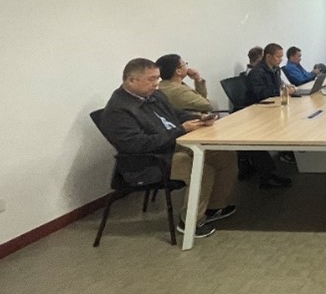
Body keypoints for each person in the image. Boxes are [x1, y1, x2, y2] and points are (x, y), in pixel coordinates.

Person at [100, 58, 237, 238]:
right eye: (151, 79)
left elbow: (175, 114)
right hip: (150, 160)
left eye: (157, 78)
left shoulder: (155, 95)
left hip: (174, 146)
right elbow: (137, 145)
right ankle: (189, 222)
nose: (156, 83)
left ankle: (213, 208)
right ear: (131, 80)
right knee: (201, 168)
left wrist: (198, 118)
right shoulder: (118, 111)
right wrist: (180, 130)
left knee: (224, 156)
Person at [243, 43, 294, 188]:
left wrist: (286, 88)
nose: (280, 60)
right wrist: (282, 91)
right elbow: (261, 94)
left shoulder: (275, 69)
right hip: (256, 112)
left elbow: (277, 87)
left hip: (271, 107)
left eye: (281, 57)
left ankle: (288, 155)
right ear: (268, 56)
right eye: (278, 57)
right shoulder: (257, 73)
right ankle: (267, 175)